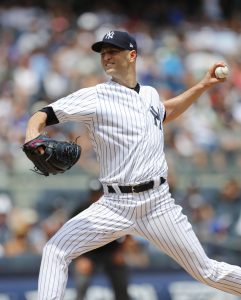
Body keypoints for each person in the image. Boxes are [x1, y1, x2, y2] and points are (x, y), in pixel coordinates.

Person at [25, 30, 241, 299]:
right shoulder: (96, 96)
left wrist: (202, 86)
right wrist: (32, 136)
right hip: (114, 205)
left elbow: (164, 113)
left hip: (158, 204)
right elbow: (43, 114)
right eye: (103, 53)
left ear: (132, 55)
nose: (106, 57)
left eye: (113, 51)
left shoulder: (149, 94)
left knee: (207, 272)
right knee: (55, 250)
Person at [71, 179, 130, 300]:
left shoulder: (115, 209)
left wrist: (120, 252)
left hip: (111, 252)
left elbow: (129, 231)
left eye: (99, 194)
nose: (96, 197)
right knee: (81, 281)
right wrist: (79, 259)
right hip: (88, 254)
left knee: (121, 282)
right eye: (94, 194)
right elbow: (71, 238)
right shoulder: (81, 210)